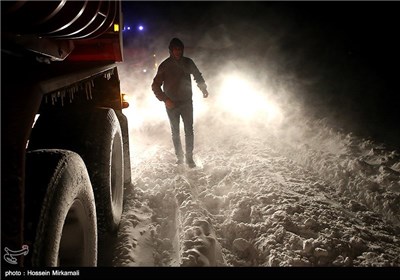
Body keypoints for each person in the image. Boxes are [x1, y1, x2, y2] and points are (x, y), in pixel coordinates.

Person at [151, 37, 209, 168]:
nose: (178, 51)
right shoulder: (165, 65)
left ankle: (189, 157)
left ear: (182, 50)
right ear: (171, 50)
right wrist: (165, 99)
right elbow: (155, 85)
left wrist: (203, 89)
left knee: (189, 130)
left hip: (187, 102)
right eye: (175, 49)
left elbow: (197, 75)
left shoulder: (188, 62)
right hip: (172, 104)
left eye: (180, 49)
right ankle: (180, 157)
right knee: (175, 132)